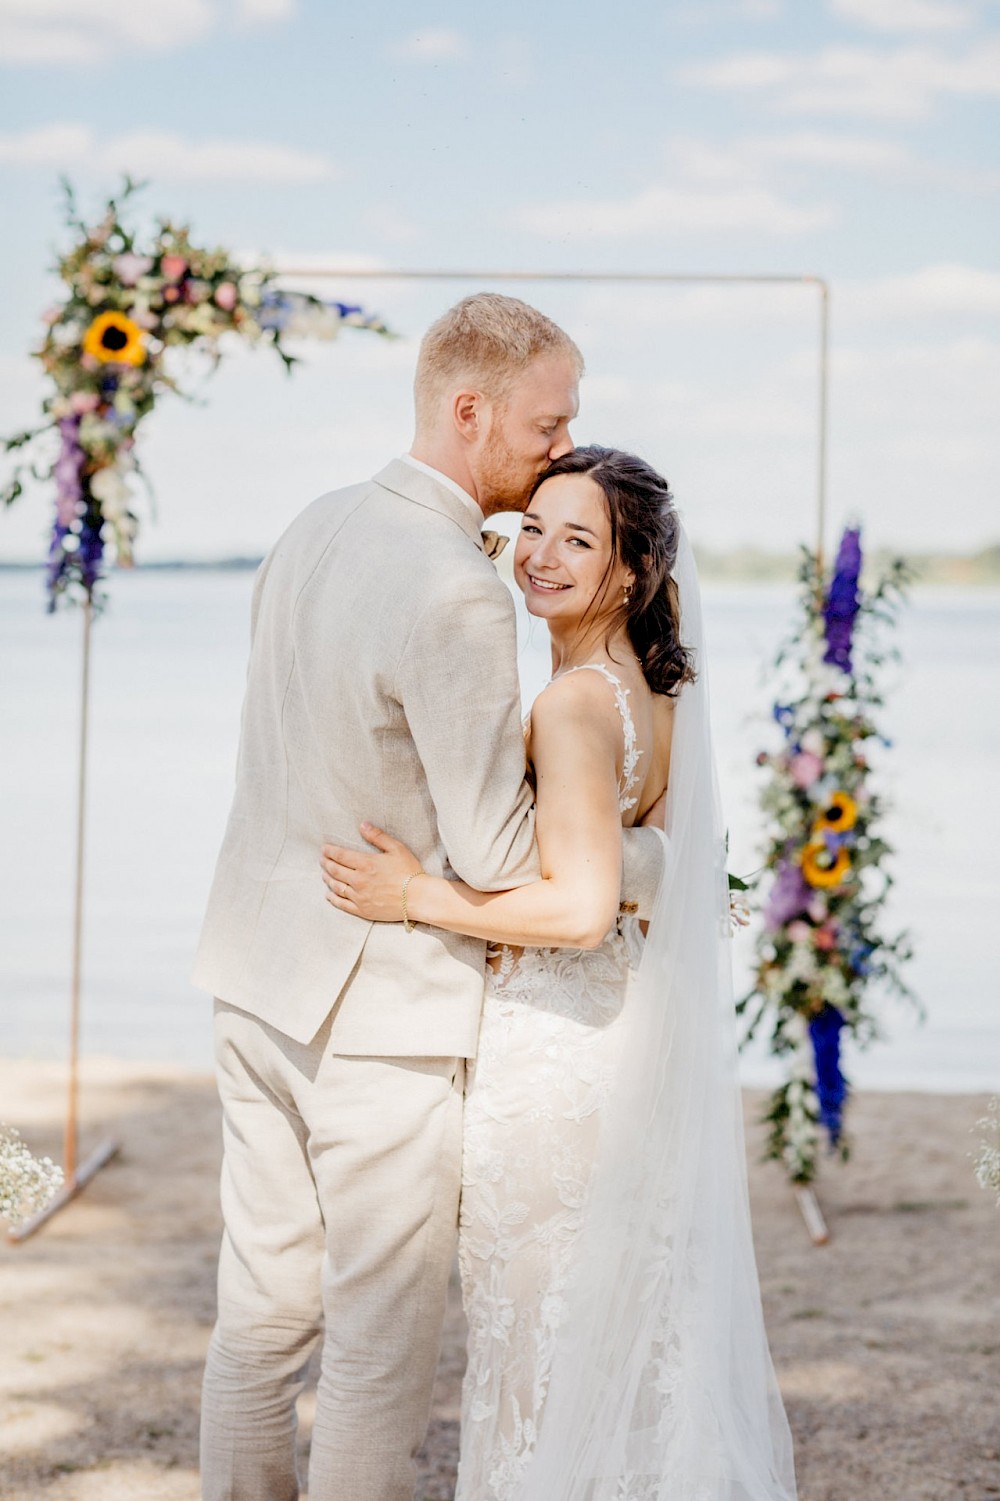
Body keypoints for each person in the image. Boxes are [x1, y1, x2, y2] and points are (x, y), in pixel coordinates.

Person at [191, 295, 666, 1501]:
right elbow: (508, 857)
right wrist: (649, 859)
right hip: (378, 1019)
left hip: (251, 975)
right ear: (471, 411)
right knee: (375, 1346)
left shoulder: (311, 526)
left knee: (256, 1315)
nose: (560, 448)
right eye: (547, 425)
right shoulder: (454, 589)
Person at [321, 446, 799, 1500]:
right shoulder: (656, 691)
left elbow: (580, 910)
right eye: (532, 526)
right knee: (612, 1332)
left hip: (558, 1059)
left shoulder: (575, 705)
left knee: (533, 1343)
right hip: (626, 1040)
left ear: (627, 574)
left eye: (576, 539)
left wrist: (420, 898)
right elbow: (652, 869)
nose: (537, 554)